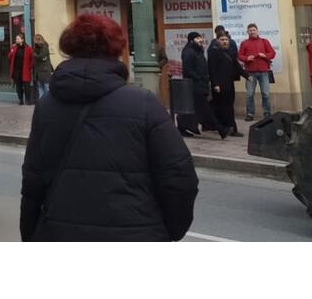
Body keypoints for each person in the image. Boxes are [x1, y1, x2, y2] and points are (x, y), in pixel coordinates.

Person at [20, 14, 198, 241]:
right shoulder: (143, 103)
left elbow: (32, 182)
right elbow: (179, 178)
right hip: (137, 233)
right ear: (116, 50)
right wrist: (170, 230)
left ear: (70, 49)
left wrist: (31, 235)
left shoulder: (47, 106)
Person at [180, 32, 228, 139]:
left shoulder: (198, 51)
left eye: (200, 37)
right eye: (197, 38)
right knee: (205, 108)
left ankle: (182, 128)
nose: (200, 40)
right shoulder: (189, 52)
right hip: (194, 85)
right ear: (191, 40)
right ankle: (220, 129)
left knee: (195, 108)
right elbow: (188, 69)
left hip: (200, 84)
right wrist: (199, 78)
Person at [207, 33, 244, 137]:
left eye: (226, 40)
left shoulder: (230, 52)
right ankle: (227, 128)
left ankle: (229, 128)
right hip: (219, 86)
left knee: (229, 106)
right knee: (222, 107)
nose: (224, 41)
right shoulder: (214, 53)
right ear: (217, 41)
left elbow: (237, 66)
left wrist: (247, 76)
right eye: (222, 39)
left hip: (229, 84)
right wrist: (215, 84)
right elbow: (212, 70)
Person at [238, 23, 276, 121]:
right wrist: (247, 58)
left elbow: (272, 53)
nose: (252, 32)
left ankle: (267, 113)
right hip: (250, 73)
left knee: (266, 94)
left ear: (257, 31)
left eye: (254, 30)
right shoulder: (244, 43)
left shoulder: (264, 41)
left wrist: (265, 56)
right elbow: (240, 55)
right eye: (250, 30)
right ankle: (250, 114)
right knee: (250, 94)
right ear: (247, 32)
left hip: (264, 72)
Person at [8, 34, 34, 105]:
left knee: (26, 86)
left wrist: (29, 67)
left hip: (25, 70)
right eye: (16, 39)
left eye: (18, 39)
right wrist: (12, 50)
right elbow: (9, 57)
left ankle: (27, 100)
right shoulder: (14, 48)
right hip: (16, 70)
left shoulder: (28, 48)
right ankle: (20, 99)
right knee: (18, 86)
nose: (16, 40)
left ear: (22, 40)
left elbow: (32, 59)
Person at [31, 34, 53, 100]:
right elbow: (40, 57)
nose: (33, 41)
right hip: (39, 71)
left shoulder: (44, 47)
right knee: (40, 88)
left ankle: (47, 102)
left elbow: (41, 56)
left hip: (44, 71)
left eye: (34, 39)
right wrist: (37, 56)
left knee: (46, 88)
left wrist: (35, 55)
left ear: (38, 40)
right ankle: (42, 102)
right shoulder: (36, 48)